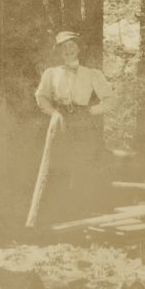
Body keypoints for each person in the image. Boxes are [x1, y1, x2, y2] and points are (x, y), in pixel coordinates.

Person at [33, 31, 115, 224]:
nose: (68, 51)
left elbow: (111, 100)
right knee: (57, 165)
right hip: (59, 122)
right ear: (58, 51)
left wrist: (89, 112)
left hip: (83, 124)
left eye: (72, 46)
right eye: (63, 47)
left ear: (78, 49)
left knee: (81, 166)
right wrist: (53, 113)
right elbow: (41, 96)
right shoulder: (51, 73)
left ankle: (80, 217)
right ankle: (53, 216)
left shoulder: (92, 74)